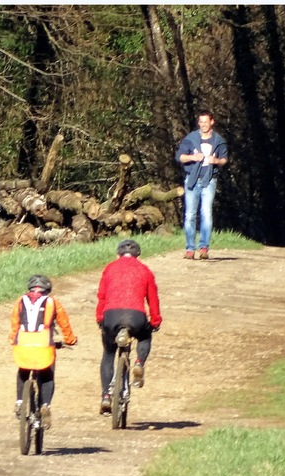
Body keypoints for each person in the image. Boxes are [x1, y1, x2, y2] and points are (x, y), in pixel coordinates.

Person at [95, 239, 162, 415]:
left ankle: (106, 396)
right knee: (145, 336)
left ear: (118, 254)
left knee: (109, 353)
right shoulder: (145, 270)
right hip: (136, 316)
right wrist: (155, 320)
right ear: (138, 256)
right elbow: (152, 299)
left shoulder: (109, 268)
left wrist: (100, 317)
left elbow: (102, 295)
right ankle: (139, 363)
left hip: (111, 316)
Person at [8, 274, 77, 430]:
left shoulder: (20, 301)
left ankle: (20, 401)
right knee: (47, 375)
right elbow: (64, 322)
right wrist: (70, 339)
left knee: (23, 371)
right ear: (48, 289)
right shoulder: (53, 302)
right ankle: (45, 404)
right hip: (44, 343)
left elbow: (15, 323)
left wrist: (13, 339)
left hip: (23, 343)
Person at [175, 110, 228, 260]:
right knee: (190, 215)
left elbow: (224, 159)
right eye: (201, 122)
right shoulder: (190, 138)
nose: (203, 125)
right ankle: (190, 249)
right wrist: (193, 157)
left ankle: (204, 247)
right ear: (198, 123)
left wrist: (216, 161)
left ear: (212, 122)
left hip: (209, 180)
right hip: (191, 180)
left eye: (206, 122)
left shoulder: (219, 141)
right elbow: (180, 157)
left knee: (206, 214)